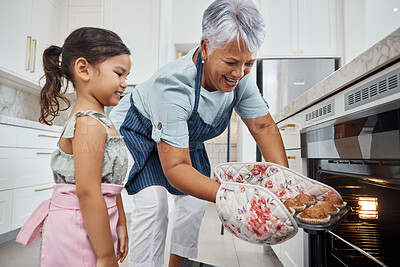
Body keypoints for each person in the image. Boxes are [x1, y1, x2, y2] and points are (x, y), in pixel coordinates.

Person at [110, 0, 288, 266]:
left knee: (193, 203)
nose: (239, 73)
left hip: (181, 140)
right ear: (206, 47)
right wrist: (234, 197)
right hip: (140, 132)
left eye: (248, 63)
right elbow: (176, 167)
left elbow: (262, 126)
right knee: (155, 205)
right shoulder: (172, 86)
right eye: (231, 62)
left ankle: (177, 265)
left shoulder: (241, 78)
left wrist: (285, 185)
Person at [16, 27, 132, 267]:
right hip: (80, 227)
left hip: (97, 220)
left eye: (126, 76)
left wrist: (121, 221)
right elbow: (88, 192)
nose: (124, 83)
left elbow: (108, 182)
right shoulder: (88, 124)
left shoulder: (101, 121)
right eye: (119, 73)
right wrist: (105, 255)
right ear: (84, 69)